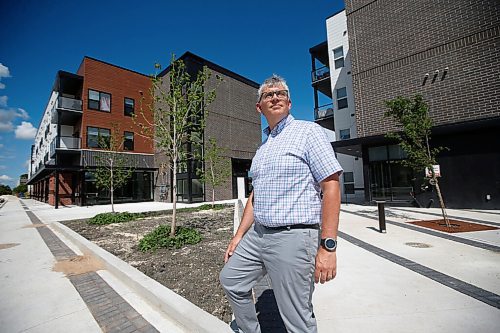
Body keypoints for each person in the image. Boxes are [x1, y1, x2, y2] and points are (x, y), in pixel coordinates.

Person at [219, 75, 343, 333]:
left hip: (294, 237)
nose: (275, 97)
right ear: (259, 107)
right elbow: (256, 195)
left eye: (281, 93)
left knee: (296, 319)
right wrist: (238, 235)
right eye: (268, 94)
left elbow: (331, 186)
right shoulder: (263, 149)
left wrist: (328, 247)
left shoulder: (309, 132)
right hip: (258, 234)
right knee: (231, 280)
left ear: (289, 102)